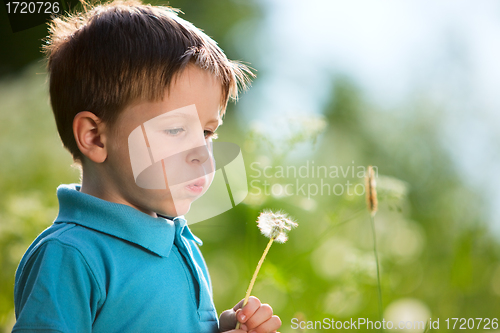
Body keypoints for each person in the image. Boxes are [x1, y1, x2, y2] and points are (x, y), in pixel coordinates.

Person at [12, 1, 281, 332]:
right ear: (96, 137)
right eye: (175, 130)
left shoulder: (180, 242)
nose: (202, 152)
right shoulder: (70, 256)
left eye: (208, 132)